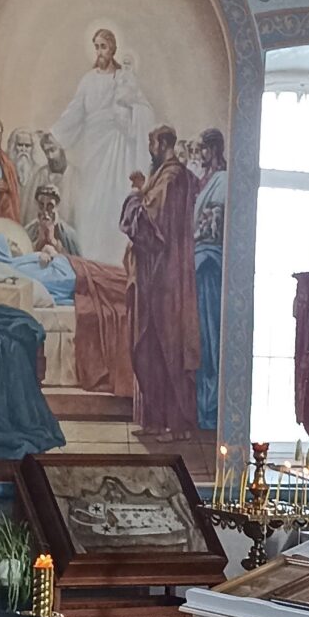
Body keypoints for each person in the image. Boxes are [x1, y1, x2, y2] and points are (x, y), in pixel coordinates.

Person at [46, 28, 153, 264]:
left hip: (118, 147)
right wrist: (55, 134)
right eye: (96, 47)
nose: (99, 51)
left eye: (103, 46)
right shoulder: (88, 80)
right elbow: (75, 111)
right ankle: (90, 259)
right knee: (91, 202)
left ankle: (114, 261)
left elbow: (143, 108)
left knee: (114, 199)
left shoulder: (124, 78)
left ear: (113, 49)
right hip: (93, 148)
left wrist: (129, 116)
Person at [121, 124, 200, 436]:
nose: (149, 148)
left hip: (164, 277)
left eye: (152, 142)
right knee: (152, 347)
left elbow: (149, 222)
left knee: (167, 345)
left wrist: (134, 195)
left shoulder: (172, 177)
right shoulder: (170, 176)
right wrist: (144, 190)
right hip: (161, 276)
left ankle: (176, 424)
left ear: (164, 143)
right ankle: (157, 420)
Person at [192, 130, 228, 434]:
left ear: (214, 150)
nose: (199, 154)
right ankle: (202, 408)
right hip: (196, 262)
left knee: (210, 335)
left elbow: (210, 226)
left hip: (209, 265)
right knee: (199, 338)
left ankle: (212, 407)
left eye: (203, 149)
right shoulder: (206, 180)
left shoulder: (222, 181)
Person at [28, 182, 81, 258]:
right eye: (41, 205)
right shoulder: (29, 231)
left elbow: (77, 262)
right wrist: (39, 242)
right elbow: (22, 257)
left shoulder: (69, 235)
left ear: (57, 207)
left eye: (50, 206)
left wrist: (53, 242)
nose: (45, 211)